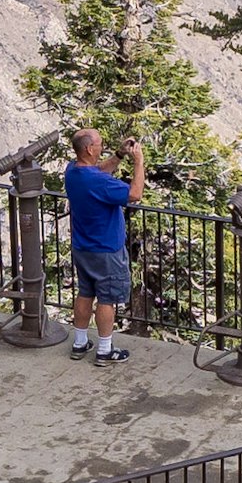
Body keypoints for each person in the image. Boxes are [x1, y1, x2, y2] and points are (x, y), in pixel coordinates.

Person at [65, 127, 144, 362]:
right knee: (107, 299)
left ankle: (80, 343)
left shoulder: (72, 171)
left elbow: (98, 170)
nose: (102, 146)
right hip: (106, 249)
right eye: (99, 143)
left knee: (85, 293)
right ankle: (104, 350)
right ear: (90, 148)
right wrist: (138, 162)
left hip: (82, 246)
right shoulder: (99, 183)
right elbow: (135, 194)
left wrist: (119, 155)